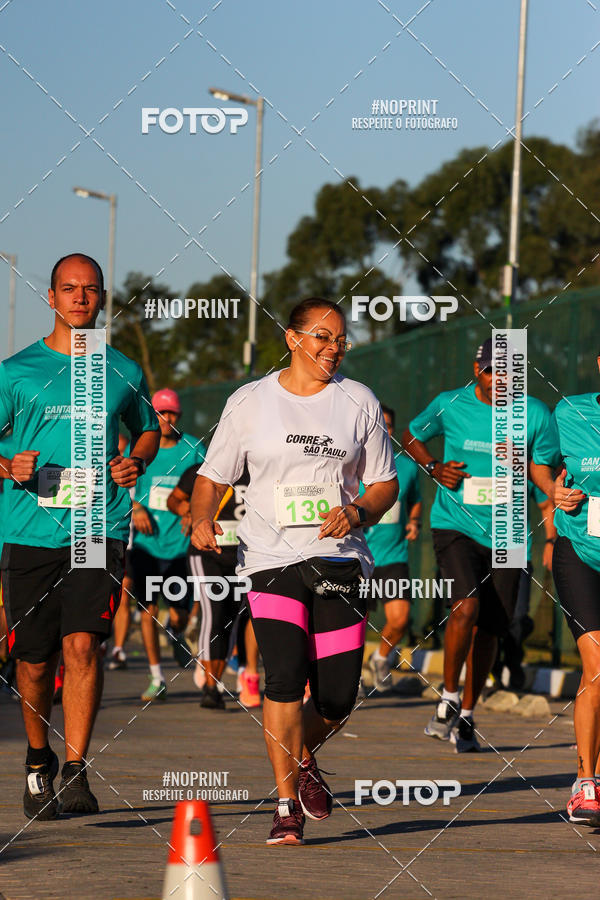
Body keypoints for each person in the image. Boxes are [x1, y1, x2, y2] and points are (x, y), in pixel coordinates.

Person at [190, 297, 398, 845]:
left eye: (341, 339)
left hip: (340, 559)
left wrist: (357, 511)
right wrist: (200, 516)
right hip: (269, 559)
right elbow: (213, 476)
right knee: (282, 679)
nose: (334, 348)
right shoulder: (249, 402)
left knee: (336, 698)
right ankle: (285, 805)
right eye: (323, 337)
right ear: (292, 338)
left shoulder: (358, 401)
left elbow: (384, 483)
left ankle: (303, 757)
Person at [0, 253, 159, 820]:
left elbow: (147, 433)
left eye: (90, 290)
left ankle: (75, 769)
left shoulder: (122, 371)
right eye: (68, 289)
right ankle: (38, 760)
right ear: (51, 297)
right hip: (30, 529)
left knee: (83, 645)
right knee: (36, 662)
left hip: (100, 524)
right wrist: (7, 465)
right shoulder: (15, 372)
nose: (80, 298)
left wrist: (135, 462)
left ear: (102, 299)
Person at [402, 337, 559, 752]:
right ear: (478, 371)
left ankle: (468, 713)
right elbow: (411, 435)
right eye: (493, 370)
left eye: (510, 372)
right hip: (456, 524)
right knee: (465, 606)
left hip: (509, 530)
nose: (501, 379)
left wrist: (552, 525)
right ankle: (449, 695)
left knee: (493, 625)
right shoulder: (450, 403)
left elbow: (542, 470)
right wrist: (434, 467)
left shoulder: (536, 415)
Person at [530, 361, 600, 824]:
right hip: (581, 552)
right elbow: (544, 465)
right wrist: (554, 489)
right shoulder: (570, 412)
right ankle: (584, 782)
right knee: (598, 663)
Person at [129, 388, 206, 702]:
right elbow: (122, 482)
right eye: (160, 412)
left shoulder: (194, 449)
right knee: (148, 608)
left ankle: (178, 631)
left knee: (180, 612)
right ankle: (156, 675)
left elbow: (211, 484)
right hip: (147, 543)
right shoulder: (144, 447)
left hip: (180, 545)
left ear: (179, 416)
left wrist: (197, 512)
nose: (165, 418)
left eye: (171, 413)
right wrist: (135, 507)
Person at [168, 465, 260, 709]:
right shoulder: (202, 471)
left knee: (232, 619)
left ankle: (215, 681)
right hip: (206, 553)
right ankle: (210, 686)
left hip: (245, 556)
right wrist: (189, 511)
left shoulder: (263, 466)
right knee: (214, 612)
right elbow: (173, 499)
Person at [364, 405, 422, 692]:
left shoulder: (408, 467)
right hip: (358, 556)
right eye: (377, 425)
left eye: (387, 426)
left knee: (399, 620)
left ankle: (380, 657)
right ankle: (346, 679)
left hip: (393, 557)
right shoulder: (353, 463)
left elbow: (416, 500)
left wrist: (414, 520)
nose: (383, 431)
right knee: (351, 625)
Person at [491, 482, 555, 690]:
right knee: (488, 618)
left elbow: (546, 506)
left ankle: (513, 661)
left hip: (516, 554)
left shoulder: (523, 466)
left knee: (518, 617)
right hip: (480, 550)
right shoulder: (475, 459)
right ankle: (493, 669)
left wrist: (550, 541)